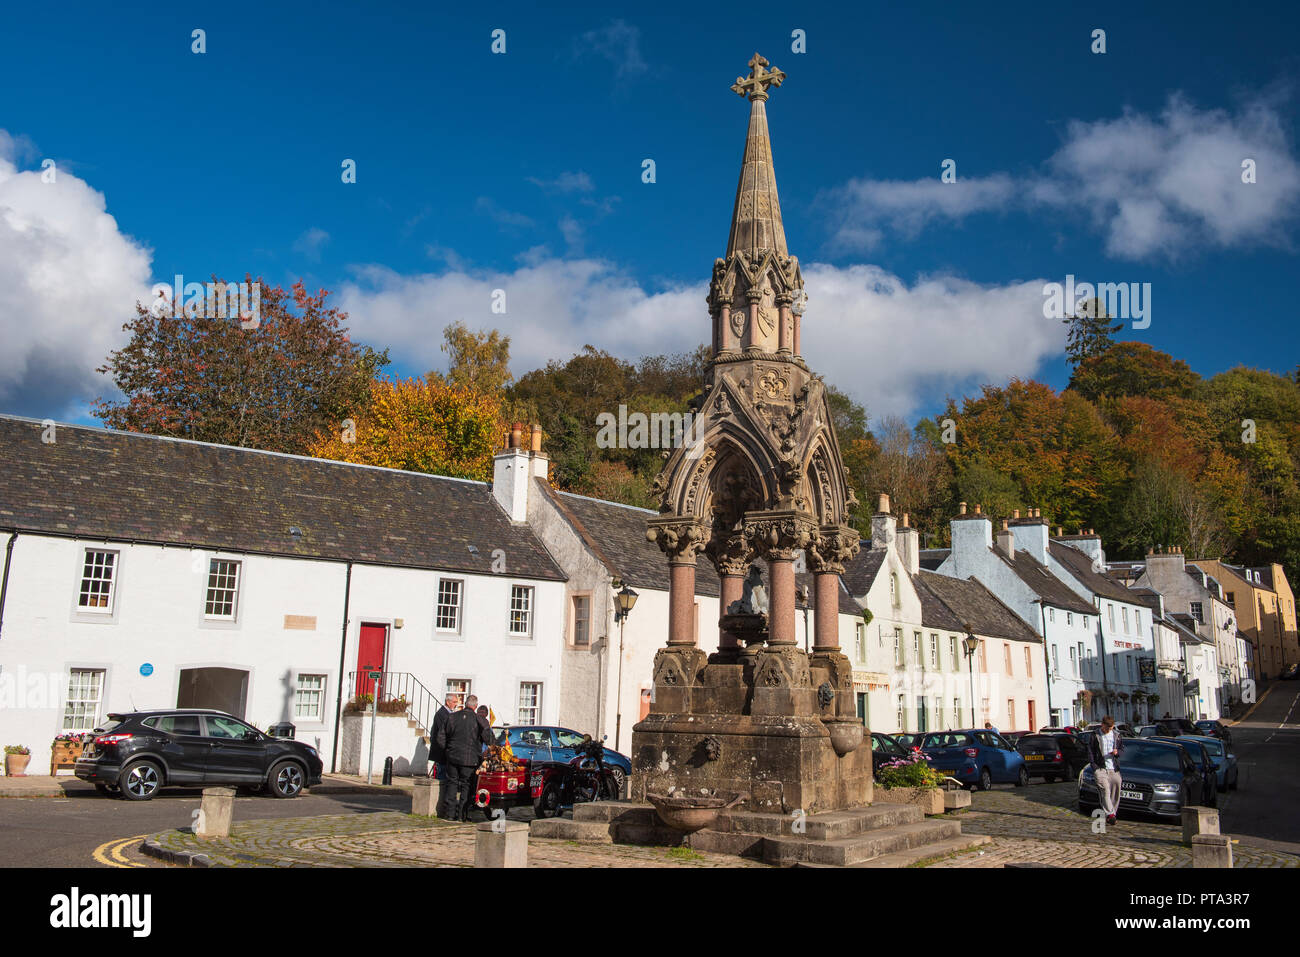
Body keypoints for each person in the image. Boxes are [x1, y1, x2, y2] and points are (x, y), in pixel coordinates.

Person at [435, 694, 495, 821]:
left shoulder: (452, 717)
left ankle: (450, 814)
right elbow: (489, 739)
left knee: (451, 784)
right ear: (476, 706)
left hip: (453, 757)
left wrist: (448, 749)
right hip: (470, 759)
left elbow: (440, 737)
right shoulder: (479, 720)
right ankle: (462, 815)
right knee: (466, 786)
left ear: (465, 703)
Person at [1088, 715, 1123, 825]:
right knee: (1105, 791)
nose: (1109, 730)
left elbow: (1122, 748)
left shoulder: (1117, 735)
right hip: (1100, 768)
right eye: (1107, 728)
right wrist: (1094, 766)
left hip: (1114, 768)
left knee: (1116, 791)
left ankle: (1111, 813)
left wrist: (1117, 753)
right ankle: (1111, 815)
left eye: (1111, 728)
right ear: (1102, 725)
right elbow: (1090, 751)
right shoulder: (1095, 735)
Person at [429, 694, 459, 817]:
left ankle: (443, 806)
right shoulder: (442, 714)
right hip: (441, 753)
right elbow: (442, 734)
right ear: (448, 702)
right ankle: (440, 806)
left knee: (445, 779)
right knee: (442, 779)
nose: (456, 704)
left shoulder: (447, 714)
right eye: (454, 702)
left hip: (444, 752)